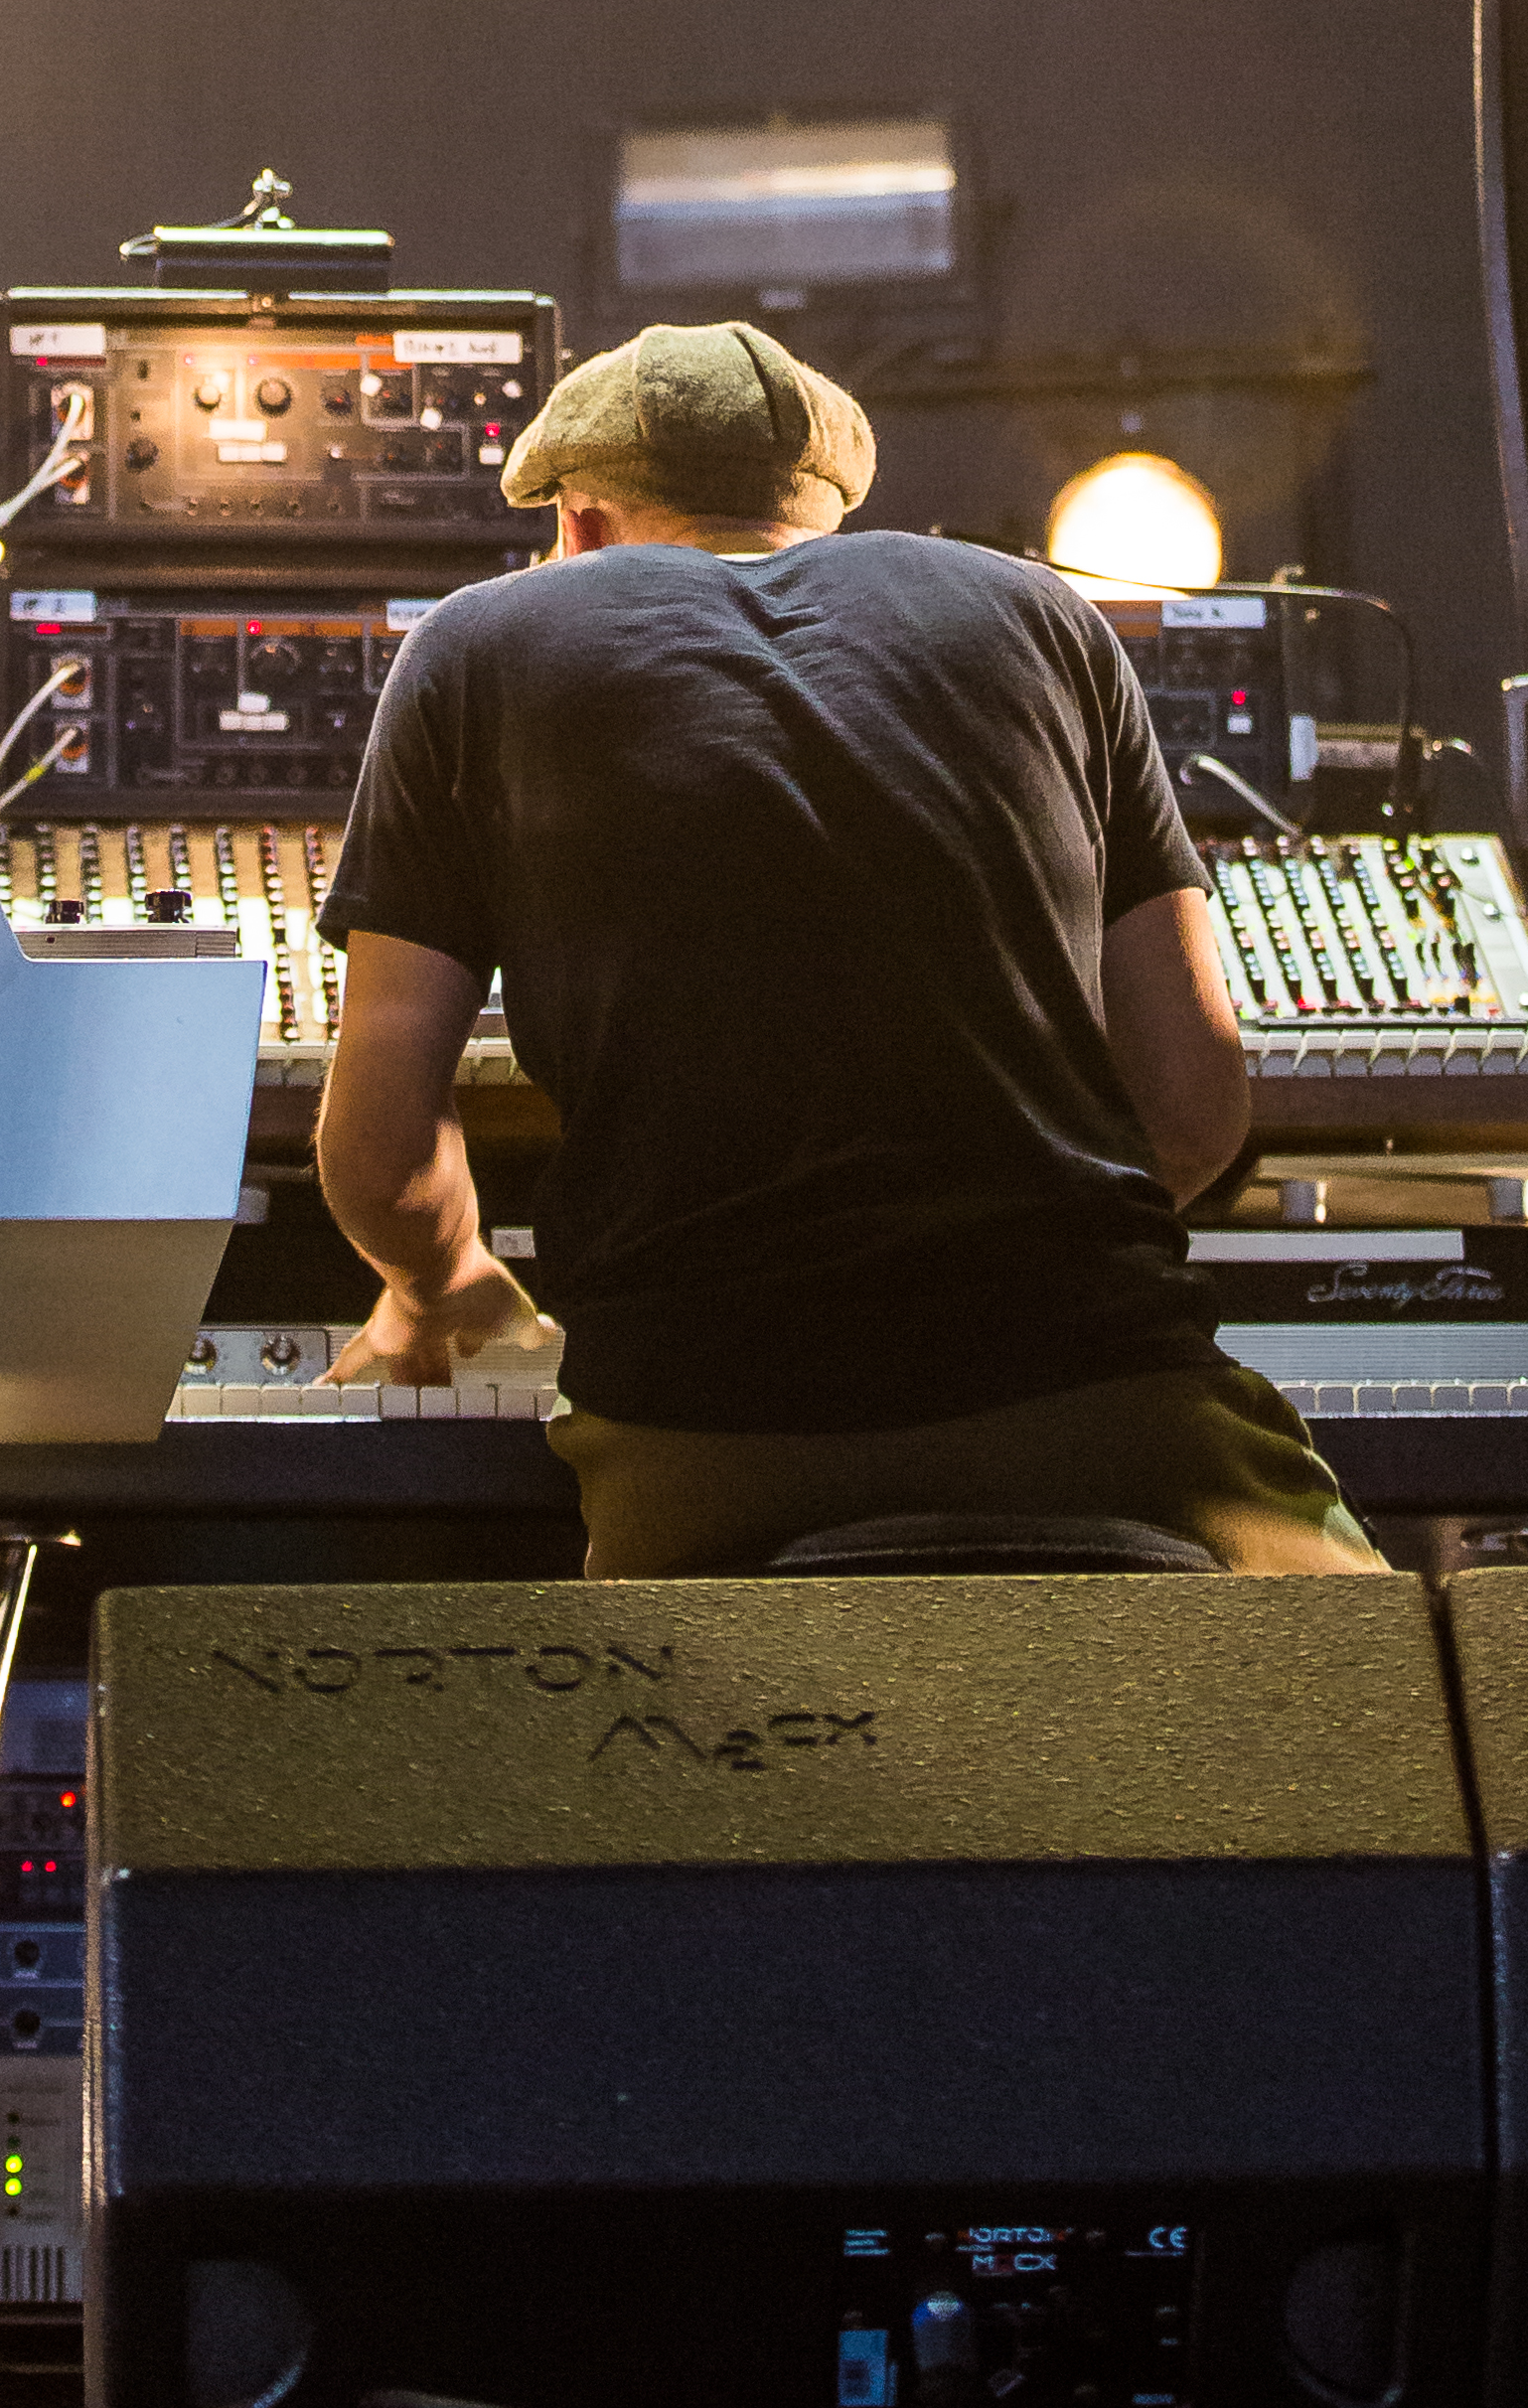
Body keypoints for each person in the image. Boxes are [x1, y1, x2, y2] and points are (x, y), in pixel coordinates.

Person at [311, 314, 1380, 1579]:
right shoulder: (1045, 617)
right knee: (1371, 1723)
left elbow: (377, 1155)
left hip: (697, 1423)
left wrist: (442, 1288)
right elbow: (1197, 1099)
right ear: (820, 507)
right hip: (1101, 1389)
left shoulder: (476, 643)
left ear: (579, 520)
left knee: (637, 1746)